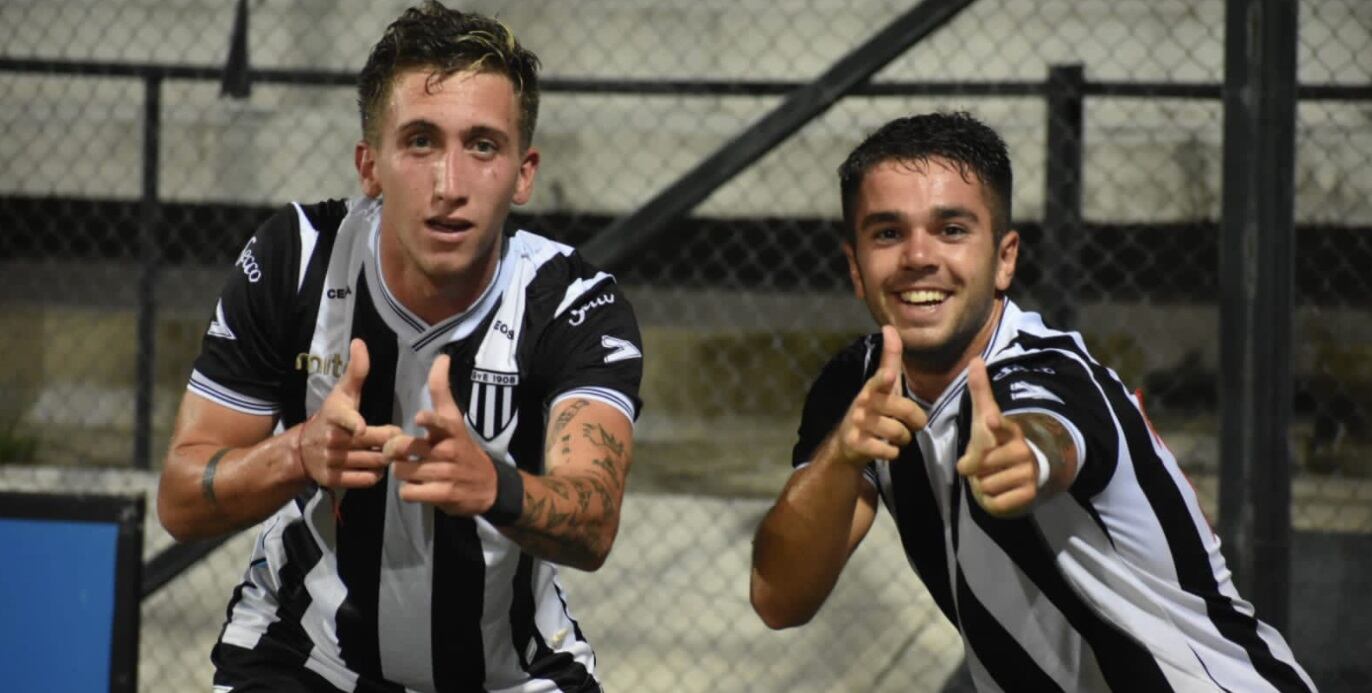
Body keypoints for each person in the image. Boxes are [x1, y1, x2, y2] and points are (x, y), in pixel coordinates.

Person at [156, 3, 642, 691]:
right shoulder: (297, 261)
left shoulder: (571, 302)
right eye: (419, 141)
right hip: (303, 656)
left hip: (510, 671)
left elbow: (593, 520)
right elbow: (180, 499)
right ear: (370, 164)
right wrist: (299, 452)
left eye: (482, 145)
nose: (449, 185)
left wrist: (490, 483)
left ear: (524, 172)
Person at [749, 112, 1315, 692]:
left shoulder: (1052, 371)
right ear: (855, 268)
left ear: (1005, 259)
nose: (919, 256)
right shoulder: (857, 390)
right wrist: (840, 459)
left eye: (952, 230)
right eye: (888, 233)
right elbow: (778, 599)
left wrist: (1024, 456)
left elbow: (1050, 431)